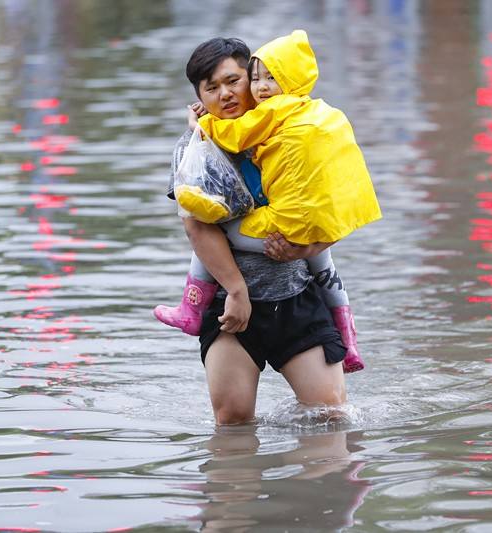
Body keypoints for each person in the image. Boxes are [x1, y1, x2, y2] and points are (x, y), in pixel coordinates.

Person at [156, 32, 379, 373]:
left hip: (298, 295)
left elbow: (330, 201)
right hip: (230, 303)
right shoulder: (196, 148)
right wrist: (236, 291)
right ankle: (195, 308)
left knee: (331, 415)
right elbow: (196, 226)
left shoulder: (293, 124)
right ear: (199, 96)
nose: (226, 93)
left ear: (251, 79)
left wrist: (304, 249)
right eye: (211, 87)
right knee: (233, 419)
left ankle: (346, 336)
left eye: (234, 81)